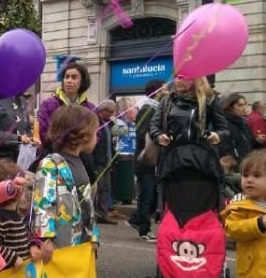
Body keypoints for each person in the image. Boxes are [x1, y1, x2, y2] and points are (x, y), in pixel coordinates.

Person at [149, 75, 229, 228]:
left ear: (196, 80)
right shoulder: (167, 101)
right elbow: (154, 125)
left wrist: (217, 135)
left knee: (200, 201)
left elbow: (224, 129)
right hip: (172, 159)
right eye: (177, 77)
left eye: (184, 77)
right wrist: (159, 136)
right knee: (173, 201)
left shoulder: (210, 100)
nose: (178, 80)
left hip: (201, 161)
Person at [31, 104, 100, 251]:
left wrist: (94, 235)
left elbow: (88, 205)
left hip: (82, 243)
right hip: (59, 243)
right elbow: (43, 203)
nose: (97, 137)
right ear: (83, 135)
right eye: (95, 132)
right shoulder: (50, 164)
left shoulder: (81, 162)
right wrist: (45, 238)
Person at [0, 159, 38, 269]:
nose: (24, 191)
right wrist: (13, 258)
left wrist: (32, 245)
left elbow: (23, 235)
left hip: (18, 277)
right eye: (21, 186)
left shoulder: (15, 212)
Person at [128, 79, 166, 242]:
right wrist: (157, 138)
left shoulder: (158, 109)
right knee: (146, 195)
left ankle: (136, 220)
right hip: (144, 160)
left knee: (152, 196)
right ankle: (144, 230)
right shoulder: (147, 108)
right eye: (164, 90)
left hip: (153, 160)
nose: (167, 92)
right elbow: (141, 133)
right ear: (157, 92)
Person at [37, 60, 96, 150]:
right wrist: (65, 146)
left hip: (81, 156)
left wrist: (79, 146)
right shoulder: (48, 105)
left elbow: (96, 133)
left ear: (82, 81)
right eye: (66, 77)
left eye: (74, 77)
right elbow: (43, 131)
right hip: (54, 153)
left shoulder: (90, 108)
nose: (69, 81)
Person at [0, 93, 35, 164]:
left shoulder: (22, 101)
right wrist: (17, 138)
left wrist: (30, 140)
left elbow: (26, 129)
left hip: (18, 162)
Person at [92, 99, 123, 225]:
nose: (112, 114)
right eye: (110, 111)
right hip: (98, 161)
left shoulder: (109, 123)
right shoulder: (95, 123)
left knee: (106, 189)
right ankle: (94, 214)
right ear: (103, 110)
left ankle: (103, 214)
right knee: (97, 189)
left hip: (107, 160)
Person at [220, 93, 258, 163]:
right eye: (240, 105)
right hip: (234, 165)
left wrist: (259, 141)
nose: (243, 108)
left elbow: (249, 143)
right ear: (231, 107)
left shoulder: (243, 123)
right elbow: (224, 148)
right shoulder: (225, 123)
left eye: (245, 105)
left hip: (246, 163)